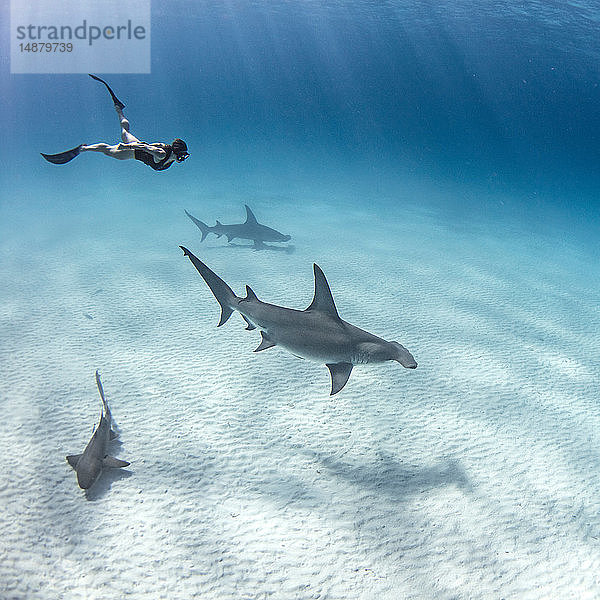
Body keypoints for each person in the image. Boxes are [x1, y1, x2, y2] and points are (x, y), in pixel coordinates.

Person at [41, 74, 189, 171]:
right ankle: (82, 149)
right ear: (177, 152)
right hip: (133, 152)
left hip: (137, 147)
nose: (183, 158)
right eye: (182, 154)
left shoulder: (168, 155)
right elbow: (144, 147)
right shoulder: (162, 154)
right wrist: (126, 146)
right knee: (108, 151)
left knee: (126, 131)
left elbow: (147, 145)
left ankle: (119, 109)